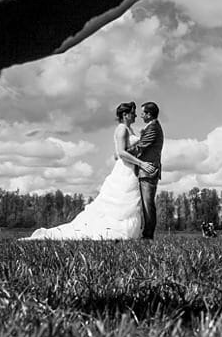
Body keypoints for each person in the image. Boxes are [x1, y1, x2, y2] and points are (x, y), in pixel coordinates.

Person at [21, 102, 155, 240]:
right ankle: (115, 230)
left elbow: (115, 154)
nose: (136, 115)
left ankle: (126, 230)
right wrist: (141, 163)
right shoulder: (122, 129)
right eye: (133, 113)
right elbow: (120, 153)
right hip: (125, 170)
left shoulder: (128, 129)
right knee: (119, 201)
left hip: (130, 169)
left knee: (128, 201)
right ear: (125, 115)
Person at [128, 101, 164, 239]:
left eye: (143, 113)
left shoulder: (153, 128)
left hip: (148, 171)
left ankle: (148, 235)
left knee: (148, 204)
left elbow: (140, 147)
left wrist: (123, 152)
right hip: (145, 171)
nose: (141, 116)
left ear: (149, 114)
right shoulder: (150, 127)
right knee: (144, 204)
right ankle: (146, 233)